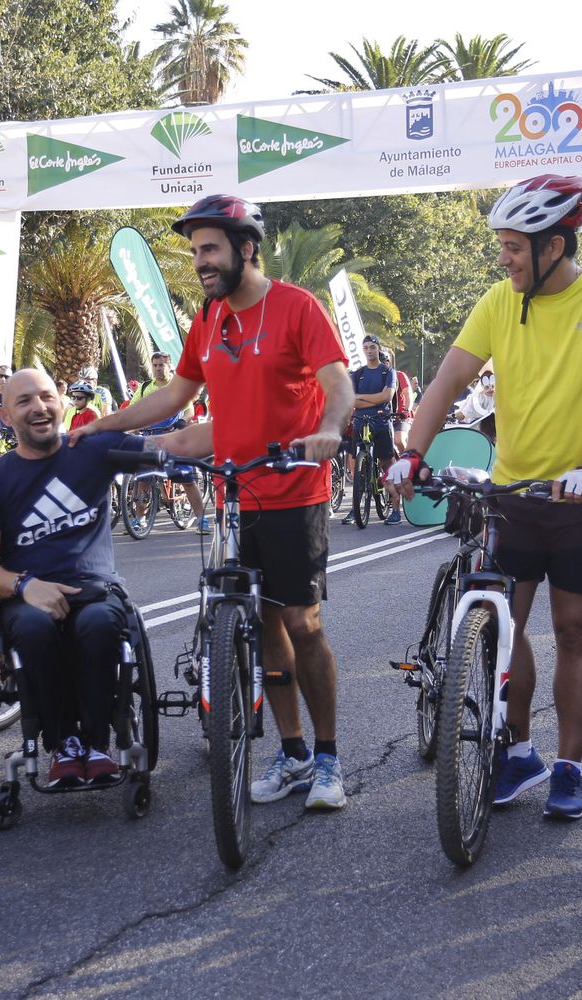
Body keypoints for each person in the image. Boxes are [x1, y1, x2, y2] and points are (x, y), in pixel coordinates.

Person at [390, 174, 582, 820]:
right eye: (503, 246)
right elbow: (448, 380)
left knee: (575, 629)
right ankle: (519, 750)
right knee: (504, 624)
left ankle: (569, 764)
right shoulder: (498, 301)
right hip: (513, 492)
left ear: (554, 246)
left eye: (514, 247)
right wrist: (412, 452)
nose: (503, 259)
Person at [70, 193, 355, 810]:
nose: (200, 261)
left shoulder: (296, 307)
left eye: (210, 249)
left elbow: (339, 383)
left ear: (245, 248)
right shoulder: (209, 318)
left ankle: (329, 758)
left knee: (302, 624)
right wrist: (104, 426)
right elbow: (175, 396)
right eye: (195, 250)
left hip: (294, 491)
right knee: (266, 625)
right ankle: (293, 753)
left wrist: (329, 429)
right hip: (235, 494)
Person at [0, 368, 211, 785]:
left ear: (60, 403)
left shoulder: (94, 448)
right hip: (26, 597)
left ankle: (96, 745)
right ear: (5, 415)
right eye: (24, 401)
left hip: (96, 591)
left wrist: (267, 420)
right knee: (35, 629)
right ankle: (63, 745)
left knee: (98, 624)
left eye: (46, 397)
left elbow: (180, 443)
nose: (39, 407)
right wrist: (25, 585)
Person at [131, 349, 209, 533]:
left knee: (186, 480)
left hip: (173, 438)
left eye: (162, 365)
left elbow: (189, 410)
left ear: (169, 366)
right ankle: (140, 519)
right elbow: (132, 410)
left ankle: (201, 520)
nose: (158, 368)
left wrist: (181, 423)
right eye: (155, 365)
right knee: (143, 479)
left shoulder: (178, 386)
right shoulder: (145, 388)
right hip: (151, 438)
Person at [342, 334, 402, 526]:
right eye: (366, 347)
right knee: (358, 468)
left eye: (372, 347)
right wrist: (374, 398)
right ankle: (355, 509)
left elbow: (387, 397)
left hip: (381, 422)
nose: (369, 350)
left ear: (378, 349)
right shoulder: (357, 374)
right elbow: (351, 400)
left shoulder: (388, 372)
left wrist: (361, 398)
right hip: (360, 422)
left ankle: (395, 509)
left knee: (387, 466)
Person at [385, 347, 416, 453]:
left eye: (386, 360)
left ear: (391, 361)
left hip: (401, 418)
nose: (383, 362)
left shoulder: (399, 375)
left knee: (398, 440)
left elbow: (408, 394)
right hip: (384, 418)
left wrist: (406, 410)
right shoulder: (376, 378)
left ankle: (407, 460)